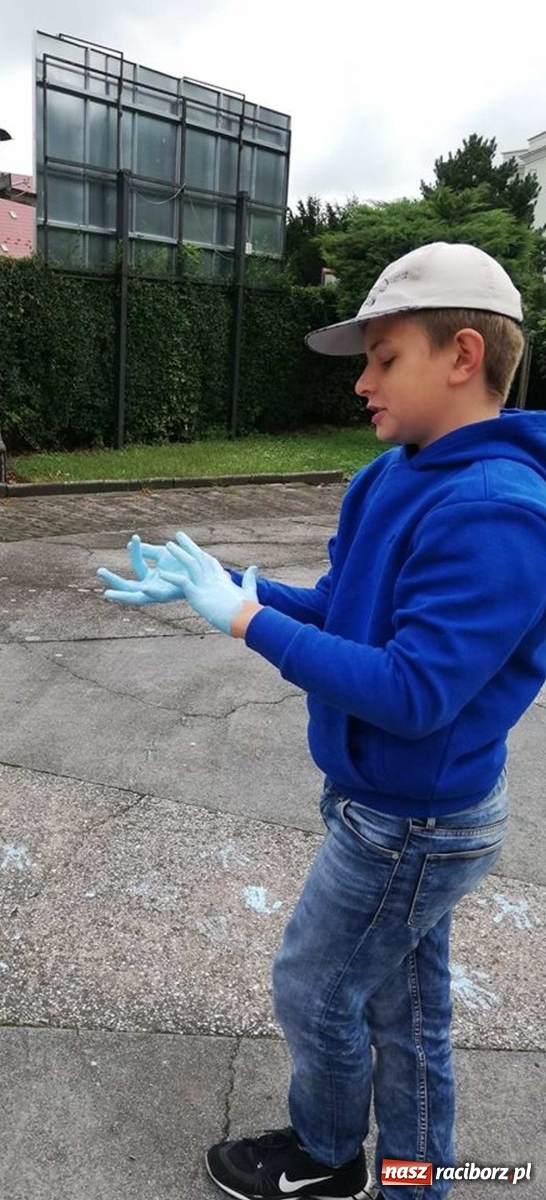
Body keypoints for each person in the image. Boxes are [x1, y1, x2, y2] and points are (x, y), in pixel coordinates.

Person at [98, 242, 546, 1199]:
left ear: (463, 356)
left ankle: (329, 1154)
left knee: (317, 987)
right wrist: (235, 586)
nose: (363, 385)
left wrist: (246, 620)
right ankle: (415, 1179)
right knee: (403, 1007)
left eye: (384, 360)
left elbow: (414, 692)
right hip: (379, 802)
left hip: (416, 821)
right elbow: (345, 606)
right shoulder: (389, 476)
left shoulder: (499, 510)